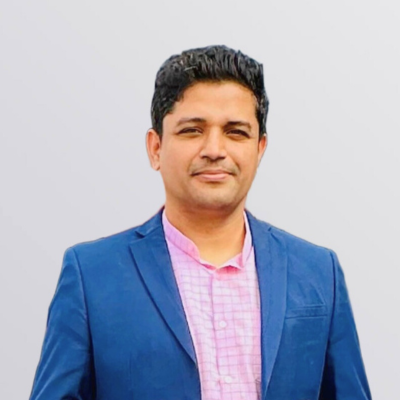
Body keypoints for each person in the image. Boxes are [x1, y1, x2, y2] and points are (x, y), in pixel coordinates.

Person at [30, 45, 371, 400]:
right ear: (156, 148)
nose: (214, 150)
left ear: (260, 148)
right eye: (192, 130)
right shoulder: (92, 276)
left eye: (235, 132)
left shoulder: (318, 273)